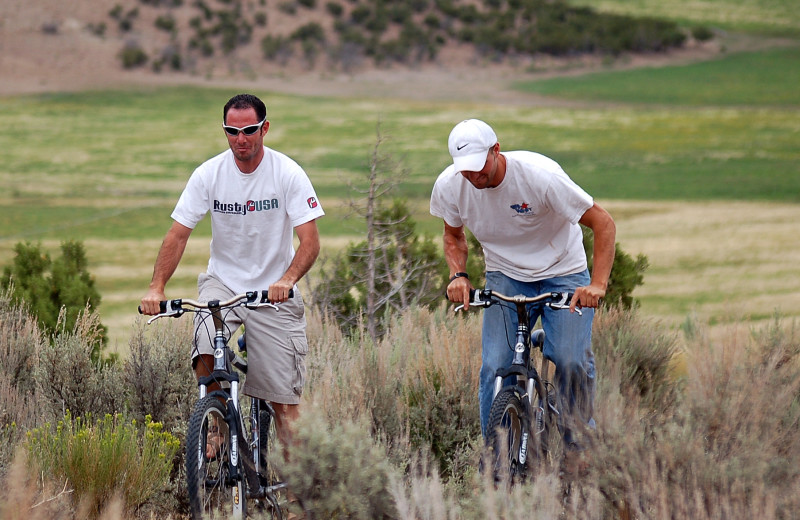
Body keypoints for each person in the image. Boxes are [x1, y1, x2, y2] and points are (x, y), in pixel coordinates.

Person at [140, 93, 324, 453]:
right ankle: (219, 423)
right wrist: (156, 287)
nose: (241, 139)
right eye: (232, 131)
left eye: (250, 130)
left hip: (274, 289)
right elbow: (178, 234)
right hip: (222, 283)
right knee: (205, 344)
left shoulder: (287, 173)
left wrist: (286, 281)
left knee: (285, 405)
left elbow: (310, 242)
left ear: (264, 128)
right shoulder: (209, 174)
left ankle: (302, 497)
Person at [430, 118, 616, 453]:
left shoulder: (539, 176)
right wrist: (459, 275)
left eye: (478, 166)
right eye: (465, 170)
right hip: (506, 274)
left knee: (570, 360)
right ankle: (495, 459)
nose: (473, 176)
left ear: (496, 150)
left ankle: (580, 449)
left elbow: (603, 222)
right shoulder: (449, 185)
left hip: (562, 269)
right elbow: (452, 236)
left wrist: (598, 284)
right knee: (493, 367)